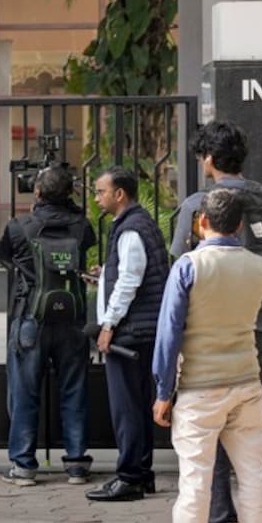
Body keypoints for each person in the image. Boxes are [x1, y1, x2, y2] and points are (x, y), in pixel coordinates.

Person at [170, 121, 262, 523]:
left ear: (209, 160)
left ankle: (216, 515)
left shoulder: (198, 204)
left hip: (205, 342)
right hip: (261, 328)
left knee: (205, 435)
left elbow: (178, 271)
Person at [0, 166, 96, 486]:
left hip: (30, 318)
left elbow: (3, 255)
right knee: (74, 390)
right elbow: (86, 247)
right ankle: (77, 463)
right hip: (73, 319)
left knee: (24, 393)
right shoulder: (82, 226)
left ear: (37, 192)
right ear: (69, 193)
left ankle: (24, 465)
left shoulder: (19, 227)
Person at [85, 167, 169, 502]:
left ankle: (130, 477)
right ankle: (141, 474)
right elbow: (131, 271)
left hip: (130, 333)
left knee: (127, 408)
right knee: (136, 404)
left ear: (120, 194)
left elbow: (131, 281)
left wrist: (108, 325)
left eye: (100, 191)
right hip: (142, 329)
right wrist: (106, 274)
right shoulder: (139, 223)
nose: (96, 197)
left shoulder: (131, 229)